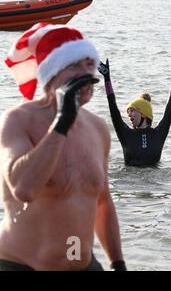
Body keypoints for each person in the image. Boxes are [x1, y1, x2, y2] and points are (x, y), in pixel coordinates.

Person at [0, 23, 125, 271]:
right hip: (21, 264)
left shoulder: (98, 128)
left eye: (90, 64)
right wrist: (62, 122)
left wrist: (117, 262)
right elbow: (24, 189)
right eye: (73, 66)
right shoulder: (18, 120)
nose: (85, 73)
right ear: (51, 74)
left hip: (82, 263)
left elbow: (102, 201)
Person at [97, 54, 171, 167]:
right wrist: (107, 78)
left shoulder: (159, 133)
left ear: (143, 114)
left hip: (153, 183)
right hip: (132, 183)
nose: (129, 114)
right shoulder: (126, 134)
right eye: (128, 112)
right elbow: (113, 108)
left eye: (132, 111)